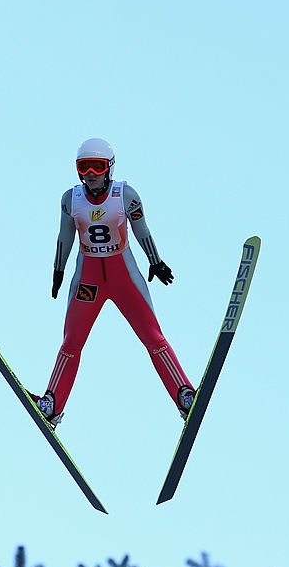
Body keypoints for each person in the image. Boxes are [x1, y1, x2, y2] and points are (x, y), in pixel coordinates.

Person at [32, 138, 195, 427]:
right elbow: (64, 237)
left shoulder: (125, 195)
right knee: (71, 342)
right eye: (84, 167)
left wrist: (155, 261)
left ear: (109, 168)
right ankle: (52, 404)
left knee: (153, 337)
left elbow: (142, 229)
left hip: (123, 274)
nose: (91, 174)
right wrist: (58, 271)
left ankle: (184, 393)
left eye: (97, 167)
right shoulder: (71, 199)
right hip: (89, 278)